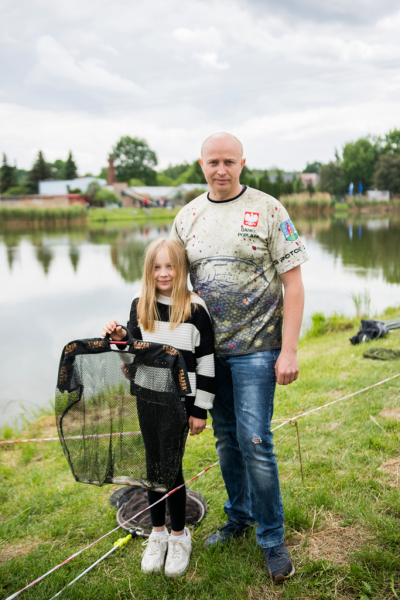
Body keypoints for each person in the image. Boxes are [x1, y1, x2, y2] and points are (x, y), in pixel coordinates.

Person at [170, 132, 309, 583]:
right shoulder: (186, 217)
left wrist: (288, 350)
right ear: (201, 164)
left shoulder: (270, 209)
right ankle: (238, 517)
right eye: (213, 162)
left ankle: (272, 537)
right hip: (209, 354)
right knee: (226, 439)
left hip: (258, 350)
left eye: (229, 161)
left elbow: (294, 284)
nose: (221, 169)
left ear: (242, 164)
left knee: (255, 441)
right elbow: (172, 286)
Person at [103, 238, 215, 577]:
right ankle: (158, 534)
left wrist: (201, 409)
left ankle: (180, 537)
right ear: (148, 270)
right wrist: (120, 340)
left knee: (171, 469)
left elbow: (208, 363)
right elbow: (131, 362)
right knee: (152, 467)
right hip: (147, 396)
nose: (163, 273)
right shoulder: (140, 305)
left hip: (180, 402)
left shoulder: (196, 309)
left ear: (181, 269)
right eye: (156, 266)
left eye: (170, 266)